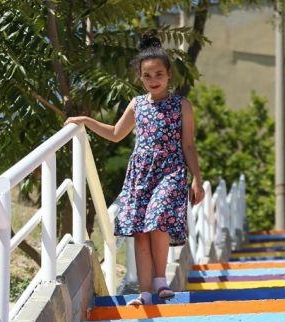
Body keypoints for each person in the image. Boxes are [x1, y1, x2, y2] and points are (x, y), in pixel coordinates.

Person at [65, 32, 204, 306]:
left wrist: (197, 180)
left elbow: (188, 145)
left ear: (169, 75)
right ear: (140, 77)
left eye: (159, 74)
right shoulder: (137, 104)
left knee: (159, 218)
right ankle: (144, 292)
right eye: (148, 75)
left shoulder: (181, 105)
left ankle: (161, 282)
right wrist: (86, 120)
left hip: (171, 170)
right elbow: (116, 133)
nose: (154, 80)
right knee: (140, 230)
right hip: (140, 174)